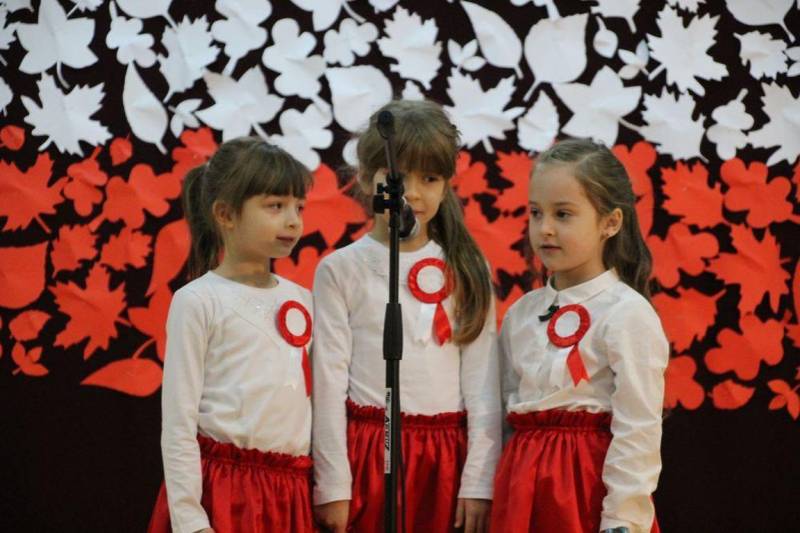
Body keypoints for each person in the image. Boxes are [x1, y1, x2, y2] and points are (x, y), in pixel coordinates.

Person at [312, 100, 501, 533]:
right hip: (368, 449)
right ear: (366, 178)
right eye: (398, 177)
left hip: (445, 457)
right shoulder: (339, 270)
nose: (412, 193)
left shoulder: (468, 266)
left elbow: (482, 383)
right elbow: (328, 382)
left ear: (446, 185)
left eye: (429, 179)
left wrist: (479, 479)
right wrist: (334, 483)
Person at [490, 138, 668, 533]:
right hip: (519, 488)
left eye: (563, 214)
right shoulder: (521, 314)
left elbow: (638, 427)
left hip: (583, 489)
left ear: (610, 223)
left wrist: (622, 519)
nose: (545, 229)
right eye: (536, 213)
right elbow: (505, 410)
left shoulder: (627, 313)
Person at [147, 137, 316, 533]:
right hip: (225, 493)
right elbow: (178, 423)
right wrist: (190, 519)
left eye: (298, 207)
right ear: (225, 214)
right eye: (275, 206)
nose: (293, 220)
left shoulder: (304, 299)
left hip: (290, 493)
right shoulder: (198, 301)